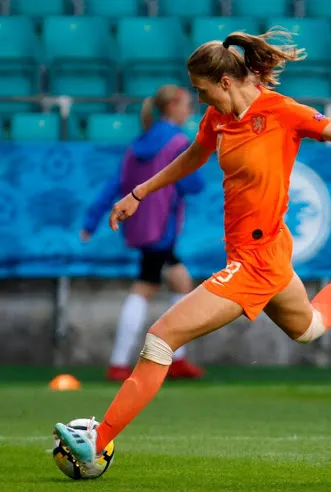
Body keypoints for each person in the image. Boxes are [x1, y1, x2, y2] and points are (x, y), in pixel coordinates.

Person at [54, 29, 331, 468]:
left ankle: (97, 440)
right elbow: (195, 154)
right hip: (260, 252)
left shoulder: (280, 111)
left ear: (225, 82)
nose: (200, 99)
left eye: (202, 89)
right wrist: (140, 192)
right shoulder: (218, 117)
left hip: (257, 261)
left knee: (160, 339)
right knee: (309, 327)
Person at [81, 85, 206, 382]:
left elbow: (116, 183)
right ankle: (119, 363)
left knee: (180, 279)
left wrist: (91, 220)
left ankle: (177, 358)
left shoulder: (138, 142)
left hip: (142, 223)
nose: (190, 111)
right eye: (187, 105)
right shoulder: (177, 142)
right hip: (162, 224)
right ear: (173, 106)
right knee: (144, 287)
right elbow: (195, 184)